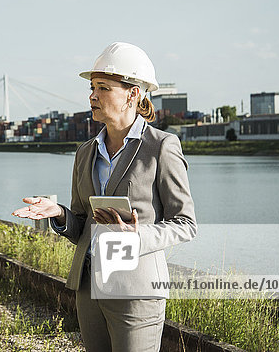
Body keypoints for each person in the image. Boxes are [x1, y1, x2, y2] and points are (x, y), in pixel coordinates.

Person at [13, 42, 197, 352]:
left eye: (103, 88)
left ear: (133, 94)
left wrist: (137, 236)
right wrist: (58, 213)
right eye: (92, 88)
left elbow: (186, 224)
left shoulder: (161, 146)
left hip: (136, 293)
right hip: (89, 290)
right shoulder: (85, 153)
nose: (92, 96)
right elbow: (82, 225)